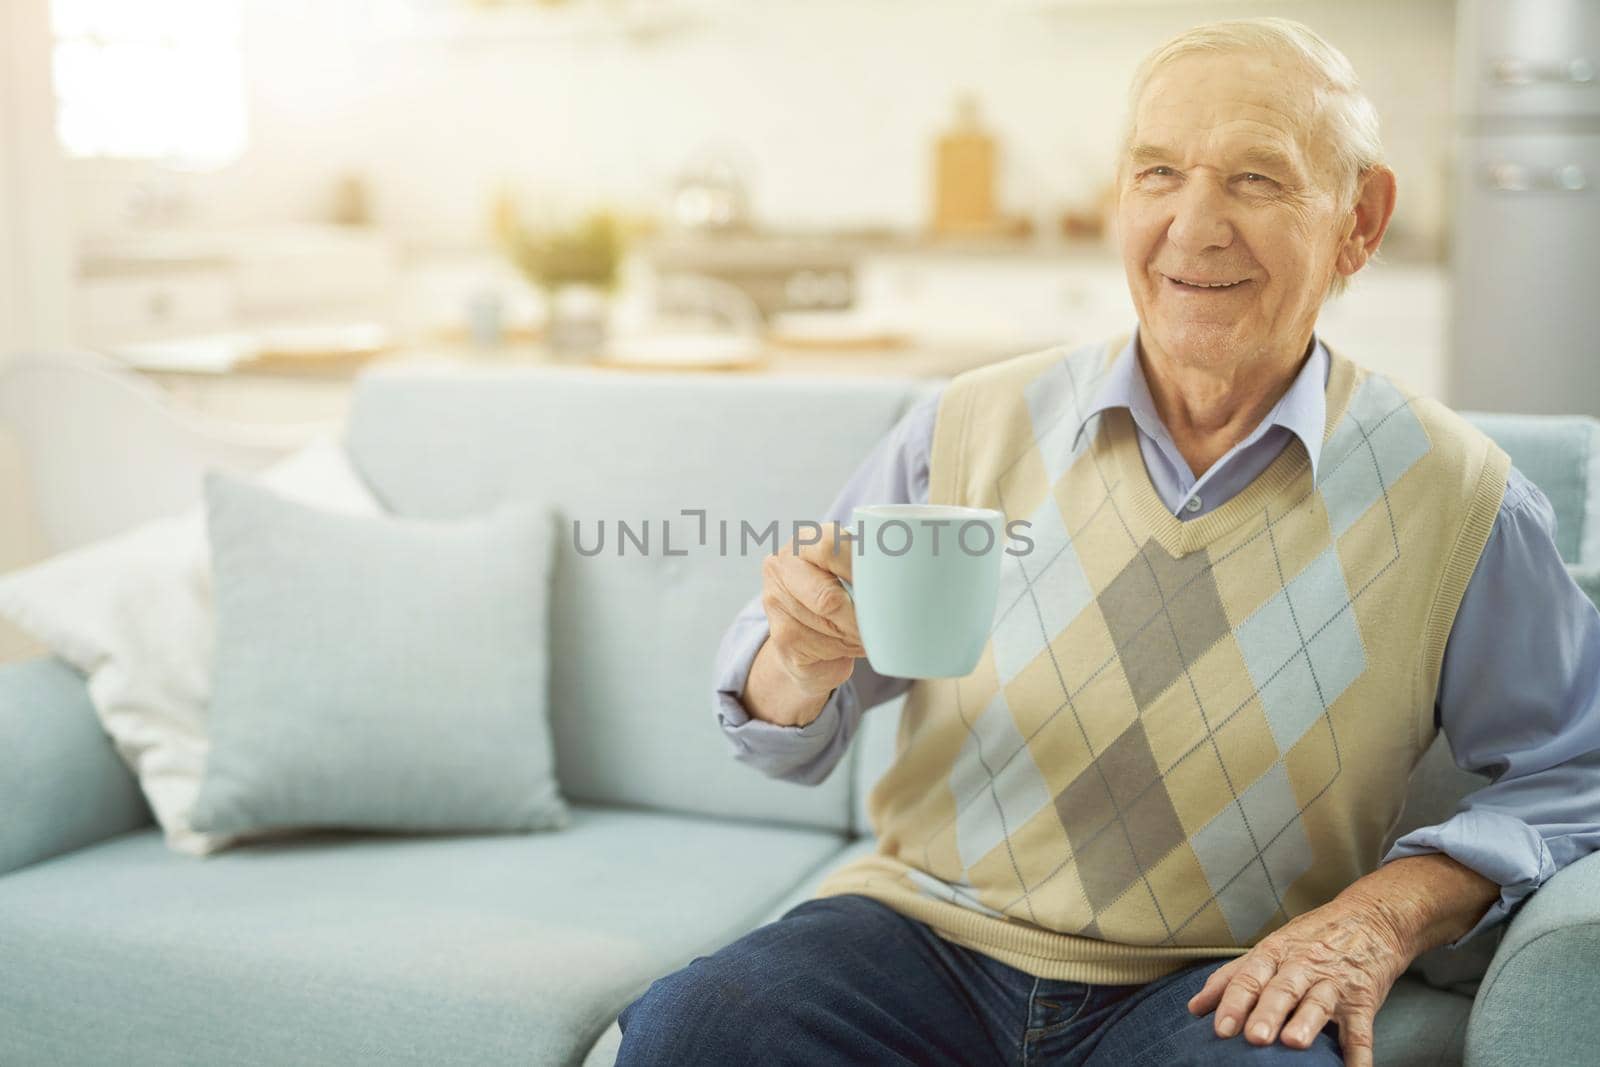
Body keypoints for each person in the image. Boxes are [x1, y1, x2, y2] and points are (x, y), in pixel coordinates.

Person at [618, 17, 1600, 1066]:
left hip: (1220, 980)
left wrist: (1384, 911)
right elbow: (780, 729)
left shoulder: (1457, 495)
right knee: (694, 1029)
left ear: (1359, 220)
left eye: (1256, 179)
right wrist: (798, 660)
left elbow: (1575, 764)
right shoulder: (969, 422)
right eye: (1159, 172)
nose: (1194, 224)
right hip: (924, 937)